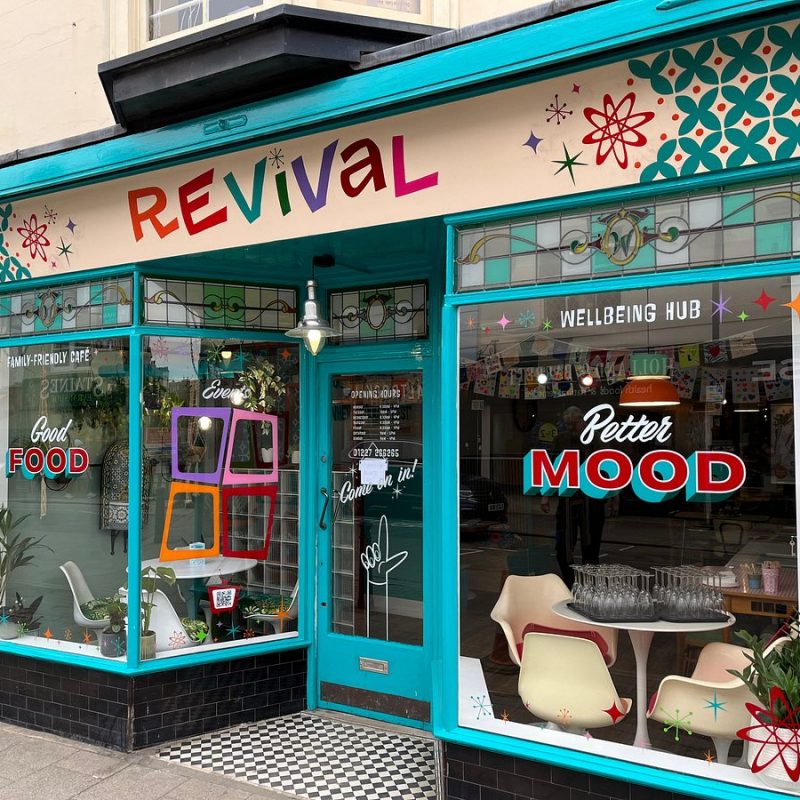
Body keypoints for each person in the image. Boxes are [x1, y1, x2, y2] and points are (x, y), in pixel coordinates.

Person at [539, 405, 609, 587]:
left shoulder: (596, 439)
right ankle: (570, 583)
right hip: (569, 498)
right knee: (562, 547)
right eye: (568, 425)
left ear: (582, 420)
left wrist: (613, 498)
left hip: (592, 499)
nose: (571, 428)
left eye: (574, 424)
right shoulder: (562, 439)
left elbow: (609, 468)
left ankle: (589, 585)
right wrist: (545, 495)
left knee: (591, 547)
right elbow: (552, 467)